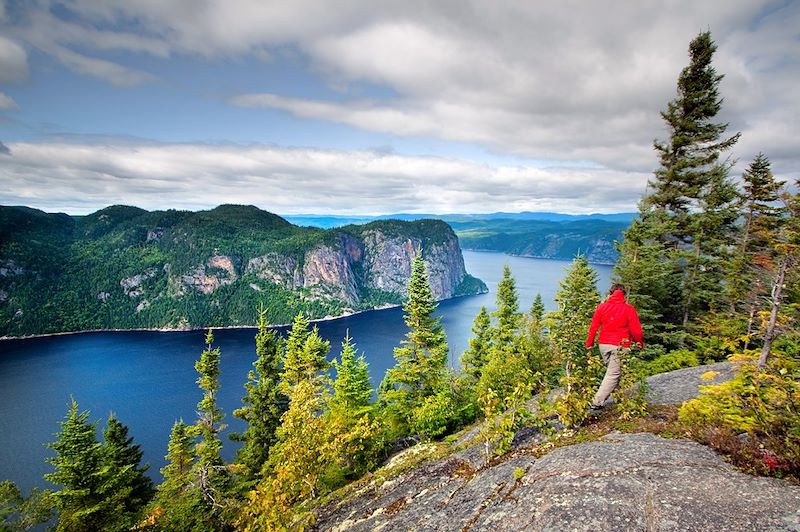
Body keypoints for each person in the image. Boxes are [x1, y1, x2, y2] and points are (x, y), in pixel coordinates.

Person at [585, 283, 644, 410]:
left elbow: (593, 327)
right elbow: (637, 331)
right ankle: (597, 401)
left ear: (610, 293)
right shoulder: (629, 309)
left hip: (604, 345)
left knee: (614, 372)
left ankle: (617, 397)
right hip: (620, 346)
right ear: (624, 295)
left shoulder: (602, 307)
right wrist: (639, 343)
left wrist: (589, 343)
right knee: (613, 374)